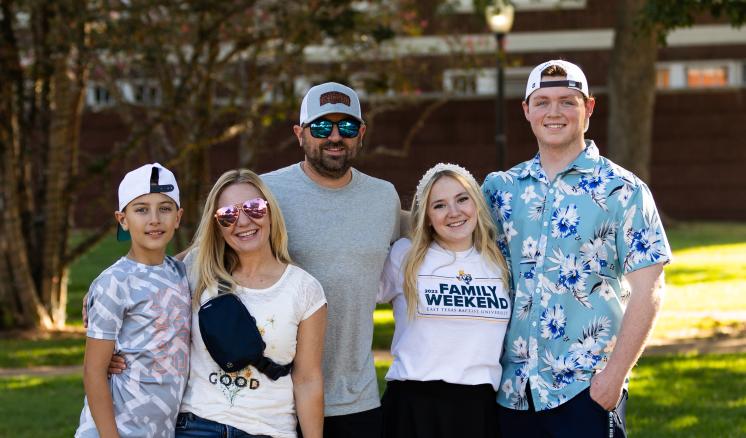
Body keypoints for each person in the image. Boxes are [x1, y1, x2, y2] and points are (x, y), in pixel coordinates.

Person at [481, 59, 672, 437]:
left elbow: (650, 288)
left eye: (568, 101)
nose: (555, 112)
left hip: (585, 391)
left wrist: (614, 377)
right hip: (510, 393)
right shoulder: (500, 190)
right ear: (526, 111)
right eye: (543, 101)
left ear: (589, 108)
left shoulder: (623, 190)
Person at [261, 82, 401, 437]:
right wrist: (114, 288)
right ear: (299, 133)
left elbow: (439, 225)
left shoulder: (383, 197)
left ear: (362, 133)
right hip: (278, 396)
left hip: (359, 398)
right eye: (322, 127)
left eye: (347, 127)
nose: (335, 136)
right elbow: (208, 251)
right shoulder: (267, 192)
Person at [176, 169, 327, 438]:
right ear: (217, 226)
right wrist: (95, 298)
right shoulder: (197, 269)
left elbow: (307, 380)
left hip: (268, 429)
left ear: (270, 211)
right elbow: (141, 281)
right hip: (198, 424)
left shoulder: (304, 289)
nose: (243, 221)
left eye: (253, 208)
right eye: (228, 215)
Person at [378, 163, 511, 438]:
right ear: (426, 216)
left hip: (479, 408)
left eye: (462, 199)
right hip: (413, 407)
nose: (454, 212)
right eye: (439, 205)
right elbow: (355, 298)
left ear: (476, 203)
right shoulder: (405, 256)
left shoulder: (499, 261)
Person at [75, 163, 191, 438]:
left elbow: (202, 249)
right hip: (113, 431)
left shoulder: (180, 272)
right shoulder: (114, 282)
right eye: (141, 209)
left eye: (165, 208)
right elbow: (94, 372)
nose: (154, 219)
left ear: (178, 217)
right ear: (123, 219)